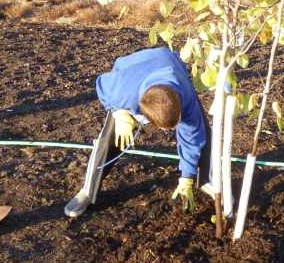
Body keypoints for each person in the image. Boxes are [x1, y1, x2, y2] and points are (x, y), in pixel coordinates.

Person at [64, 47, 212, 217]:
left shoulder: (185, 97)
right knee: (109, 141)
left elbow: (191, 139)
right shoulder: (122, 91)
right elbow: (101, 85)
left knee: (202, 133)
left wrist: (187, 176)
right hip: (132, 70)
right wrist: (118, 113)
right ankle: (87, 191)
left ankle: (207, 181)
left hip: (167, 60)